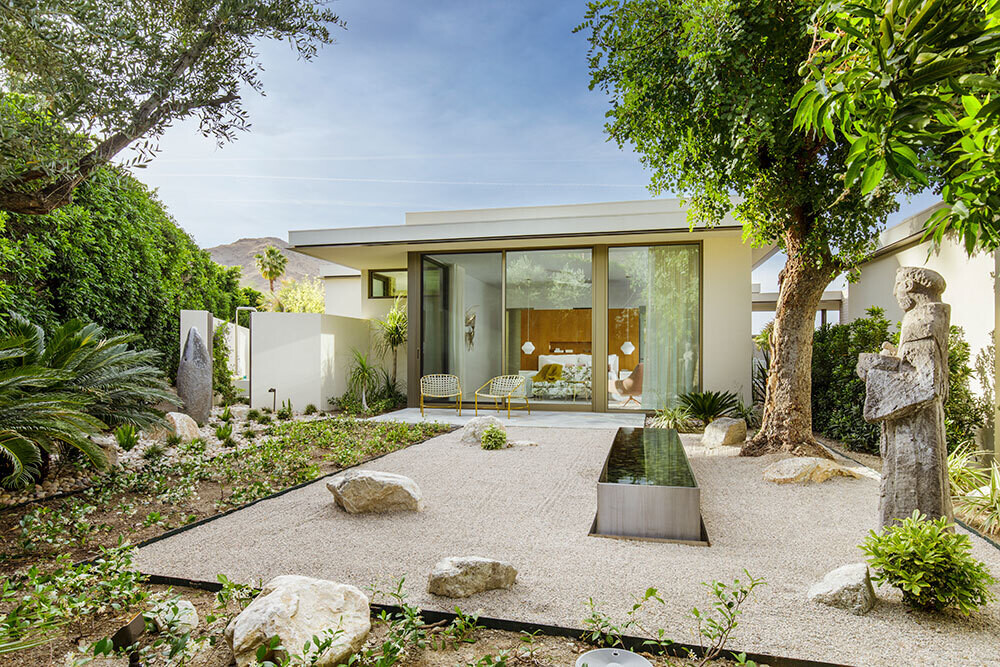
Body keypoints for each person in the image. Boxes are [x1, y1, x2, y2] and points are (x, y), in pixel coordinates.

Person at [857, 267, 953, 529]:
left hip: (915, 431)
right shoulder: (926, 318)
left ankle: (909, 551)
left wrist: (874, 370)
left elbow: (925, 383)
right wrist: (891, 361)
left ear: (910, 286)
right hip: (918, 424)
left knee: (913, 490)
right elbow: (914, 367)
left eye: (897, 285)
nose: (894, 292)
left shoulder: (921, 322)